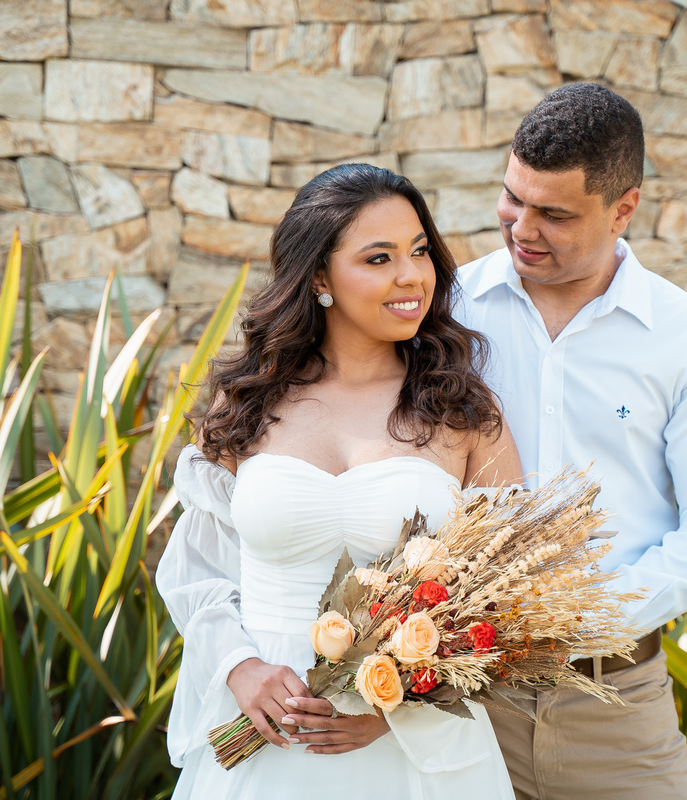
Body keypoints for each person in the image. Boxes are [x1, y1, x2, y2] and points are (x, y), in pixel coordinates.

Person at [156, 163, 522, 799]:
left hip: (410, 753)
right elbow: (197, 568)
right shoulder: (247, 402)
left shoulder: (464, 413)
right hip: (264, 731)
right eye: (378, 258)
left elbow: (507, 595)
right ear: (319, 277)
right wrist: (240, 669)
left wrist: (396, 701)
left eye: (419, 252)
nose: (411, 275)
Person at [455, 83, 687, 799]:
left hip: (616, 709)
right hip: (456, 707)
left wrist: (574, 623)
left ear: (625, 208)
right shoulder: (446, 312)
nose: (522, 227)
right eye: (512, 198)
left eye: (553, 213)